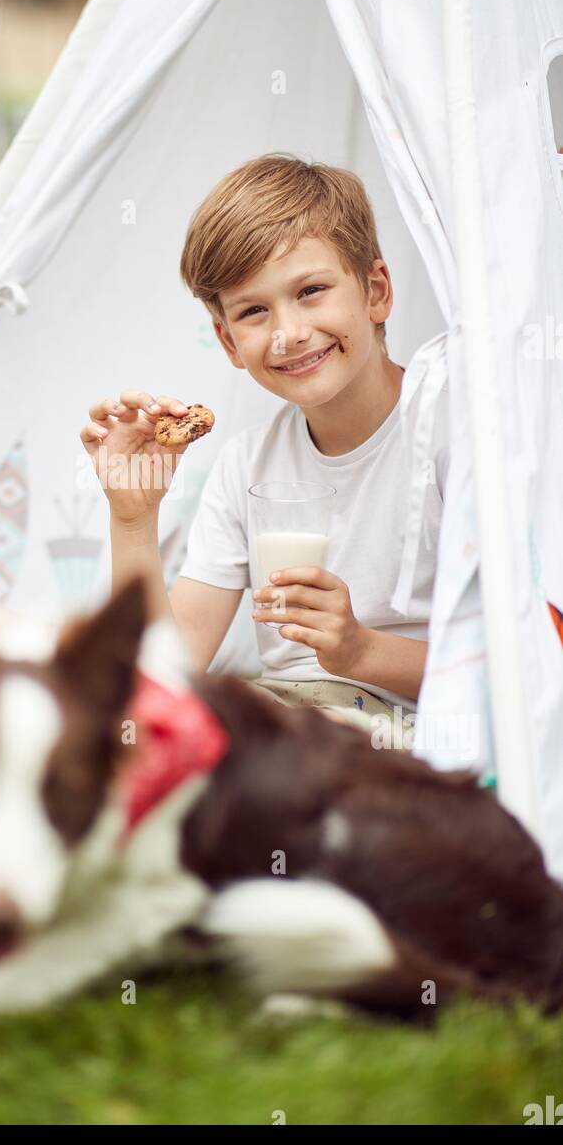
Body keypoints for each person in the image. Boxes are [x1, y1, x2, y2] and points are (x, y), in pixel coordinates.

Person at [79, 155, 449, 748]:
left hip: (411, 733)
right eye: (254, 311)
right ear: (228, 340)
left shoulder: (450, 430)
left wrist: (360, 649)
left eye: (311, 291)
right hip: (279, 726)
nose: (288, 332)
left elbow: (519, 662)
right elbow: (163, 674)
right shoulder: (246, 465)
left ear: (376, 292)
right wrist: (132, 515)